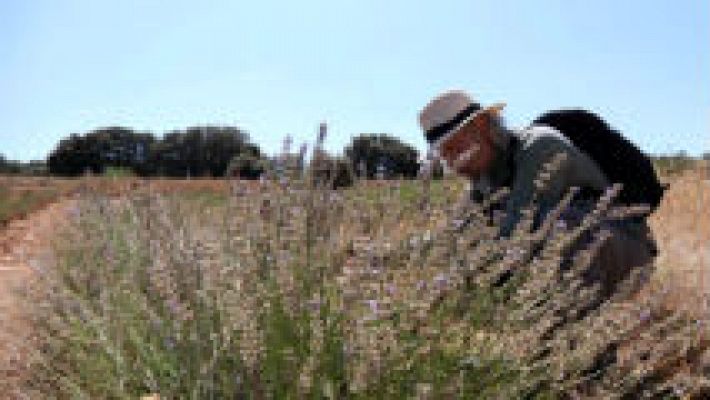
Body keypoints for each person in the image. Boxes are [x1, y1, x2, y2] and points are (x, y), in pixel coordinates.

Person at [418, 89, 657, 295]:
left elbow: (516, 236)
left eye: (454, 148)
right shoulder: (483, 182)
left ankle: (584, 344)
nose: (452, 162)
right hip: (590, 254)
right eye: (444, 155)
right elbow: (450, 240)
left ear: (481, 125)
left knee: (555, 231)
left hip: (627, 249)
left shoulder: (540, 146)